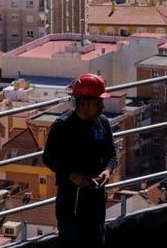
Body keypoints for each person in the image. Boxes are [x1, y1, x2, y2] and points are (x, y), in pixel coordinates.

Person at [43, 73, 117, 247]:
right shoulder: (62, 127)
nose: (102, 106)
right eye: (98, 102)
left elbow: (111, 153)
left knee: (97, 239)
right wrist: (71, 175)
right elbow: (49, 158)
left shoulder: (102, 123)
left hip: (96, 196)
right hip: (71, 199)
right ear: (83, 102)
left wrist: (107, 170)